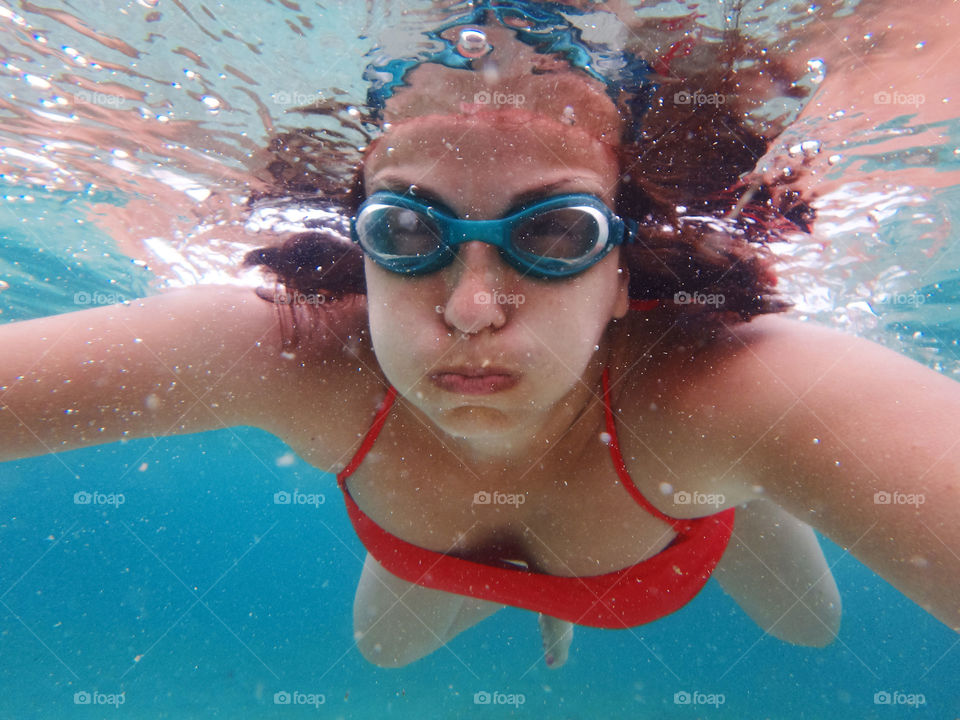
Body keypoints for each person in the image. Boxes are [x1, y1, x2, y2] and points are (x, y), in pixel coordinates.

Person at [1, 1, 956, 671]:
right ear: (360, 246)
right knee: (380, 649)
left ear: (622, 273)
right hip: (482, 526)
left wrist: (769, 438)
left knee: (811, 630)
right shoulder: (286, 347)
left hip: (671, 492)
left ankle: (737, 485)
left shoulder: (738, 387)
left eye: (553, 234)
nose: (469, 309)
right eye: (407, 233)